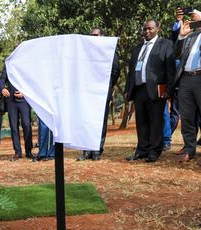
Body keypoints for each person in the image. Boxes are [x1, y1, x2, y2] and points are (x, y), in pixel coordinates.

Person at [124, 20, 175, 163]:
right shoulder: (137, 48)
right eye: (145, 29)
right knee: (141, 122)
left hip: (157, 90)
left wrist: (169, 90)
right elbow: (131, 72)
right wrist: (128, 89)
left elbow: (170, 70)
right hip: (139, 89)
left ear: (157, 28)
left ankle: (154, 151)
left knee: (156, 122)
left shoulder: (165, 44)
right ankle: (142, 150)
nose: (147, 31)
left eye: (150, 29)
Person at [76, 27, 120, 161]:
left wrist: (106, 86)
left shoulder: (109, 51)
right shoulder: (85, 52)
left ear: (102, 36)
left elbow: (115, 70)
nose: (93, 37)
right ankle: (86, 151)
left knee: (100, 122)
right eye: (91, 35)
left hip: (102, 92)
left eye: (96, 35)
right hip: (87, 93)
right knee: (86, 121)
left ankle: (96, 151)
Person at [174, 8, 201, 162]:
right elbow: (177, 53)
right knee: (187, 117)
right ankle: (190, 150)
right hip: (185, 79)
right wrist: (182, 36)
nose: (192, 18)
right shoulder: (192, 35)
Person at [0, 54, 36, 161]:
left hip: (24, 101)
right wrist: (2, 89)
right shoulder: (8, 64)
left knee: (26, 125)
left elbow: (32, 82)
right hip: (11, 102)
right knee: (14, 128)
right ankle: (17, 152)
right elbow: (1, 79)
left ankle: (29, 151)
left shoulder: (27, 65)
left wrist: (24, 93)